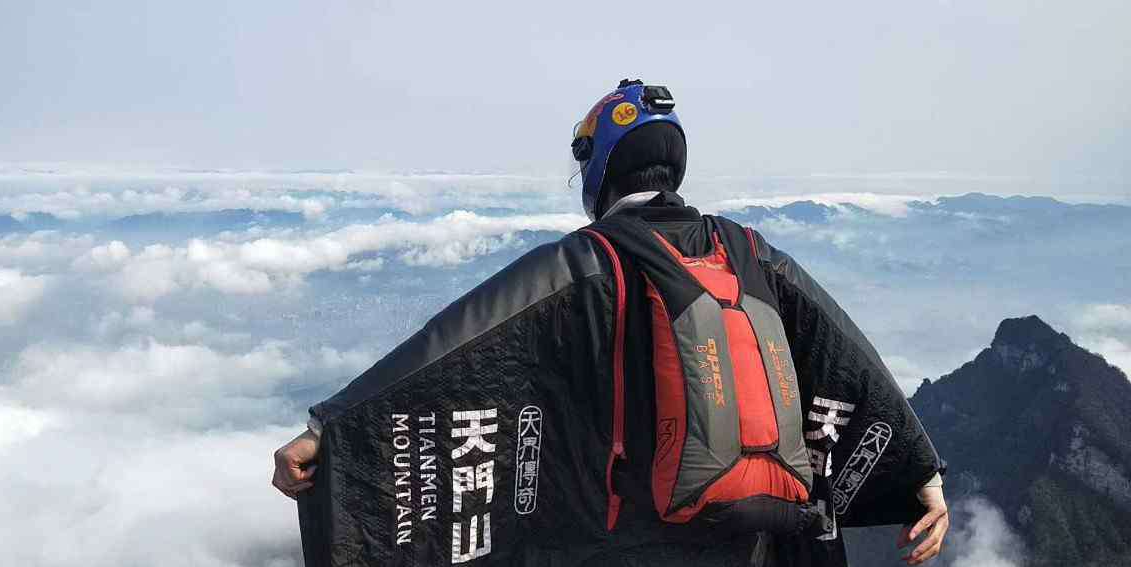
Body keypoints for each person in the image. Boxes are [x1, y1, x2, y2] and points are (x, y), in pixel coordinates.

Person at [274, 79, 949, 566]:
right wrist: (919, 471)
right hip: (754, 541)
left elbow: (454, 347)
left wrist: (331, 429)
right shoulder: (750, 254)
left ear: (602, 169)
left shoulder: (586, 262)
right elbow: (842, 353)